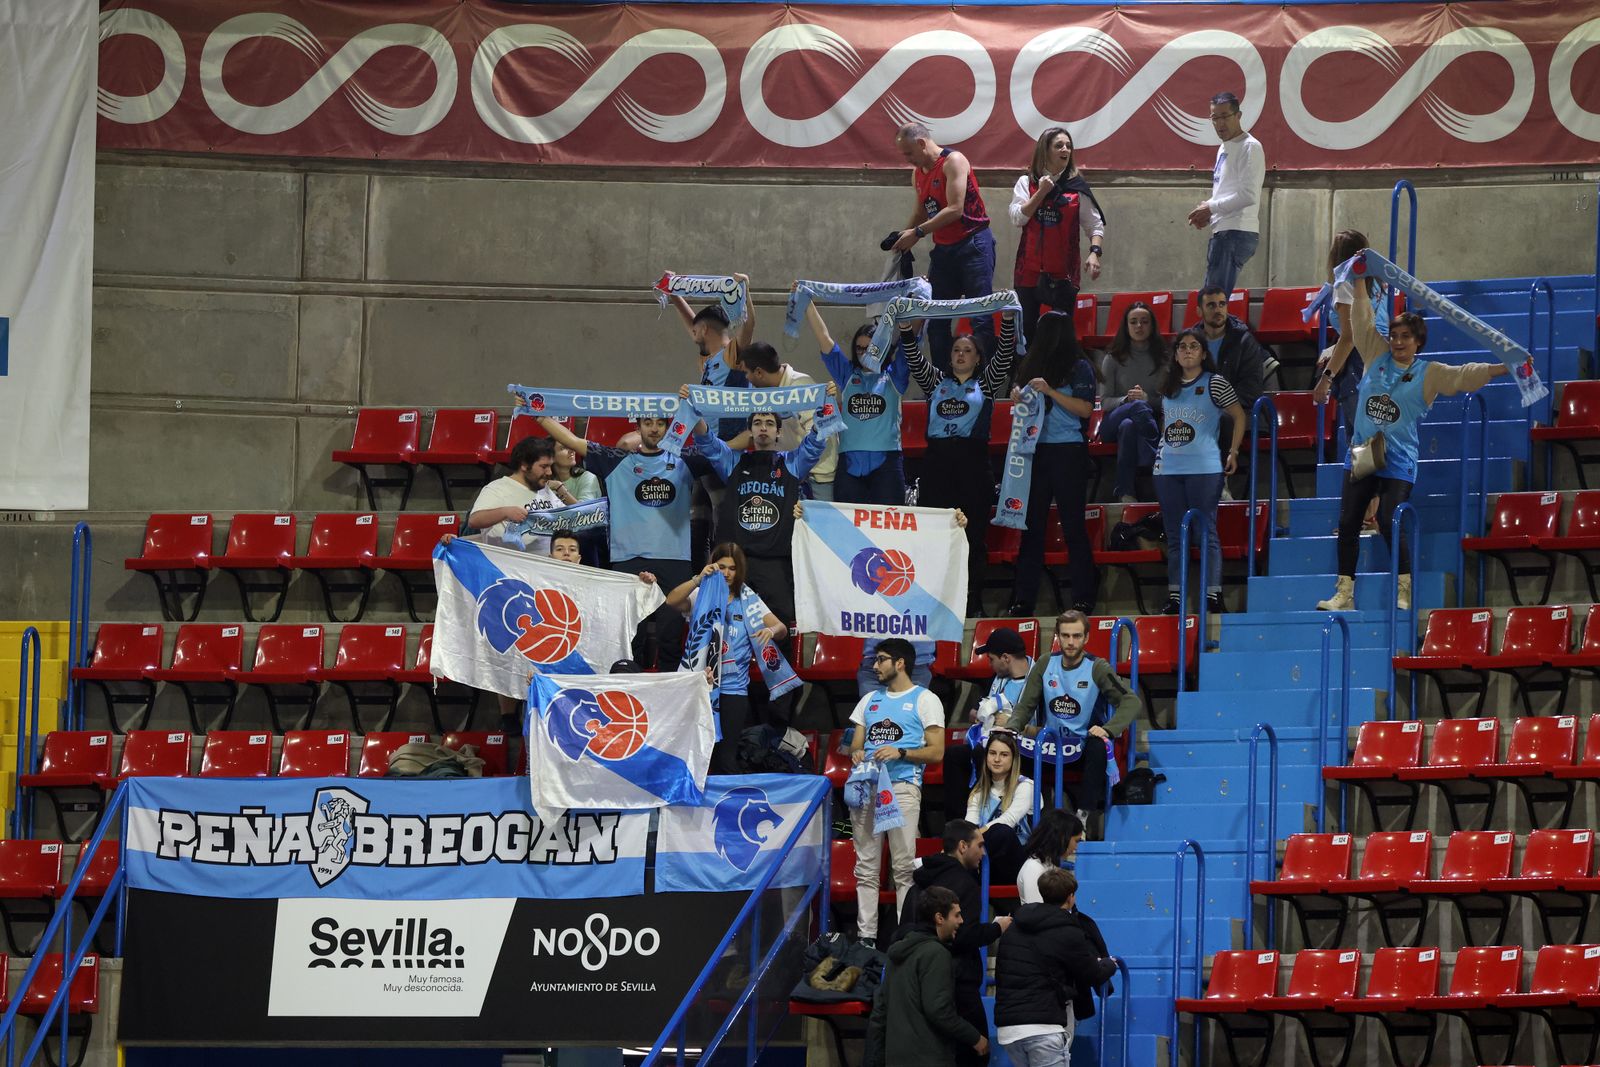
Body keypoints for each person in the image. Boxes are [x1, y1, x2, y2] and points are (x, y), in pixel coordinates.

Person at [1313, 269, 1507, 612]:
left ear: (1418, 341)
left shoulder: (1428, 373)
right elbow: (1361, 321)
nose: (1398, 342)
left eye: (1405, 337)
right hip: (1363, 454)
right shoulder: (1375, 353)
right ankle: (1344, 593)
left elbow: (1462, 376)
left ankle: (1404, 589)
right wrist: (1359, 280)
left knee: (1390, 520)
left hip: (1398, 459)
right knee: (1348, 522)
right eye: (1395, 335)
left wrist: (1500, 368)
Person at [900, 311, 1018, 614]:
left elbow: (1004, 353)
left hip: (973, 465)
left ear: (978, 358)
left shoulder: (986, 383)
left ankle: (972, 601)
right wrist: (905, 328)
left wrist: (1007, 320)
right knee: (935, 536)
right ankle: (935, 601)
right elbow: (914, 358)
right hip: (937, 465)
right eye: (956, 350)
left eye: (968, 350)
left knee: (973, 537)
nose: (961, 354)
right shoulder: (935, 382)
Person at [689, 385, 832, 624]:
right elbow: (707, 442)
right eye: (757, 423)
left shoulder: (792, 463)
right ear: (750, 431)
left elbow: (816, 441)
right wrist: (691, 407)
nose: (763, 427)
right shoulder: (733, 462)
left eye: (769, 423)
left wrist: (827, 402)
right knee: (729, 622)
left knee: (781, 623)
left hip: (777, 561)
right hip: (737, 562)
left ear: (778, 432)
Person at [535, 414, 711, 593]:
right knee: (629, 614)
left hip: (675, 560)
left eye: (660, 424)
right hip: (628, 560)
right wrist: (539, 416)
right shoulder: (614, 460)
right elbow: (572, 441)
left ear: (667, 429)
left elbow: (718, 449)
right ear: (638, 428)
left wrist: (694, 413)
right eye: (648, 423)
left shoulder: (684, 459)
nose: (654, 429)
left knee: (675, 613)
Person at [1003, 611, 1142, 835]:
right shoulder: (1045, 663)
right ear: (1057, 636)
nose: (1070, 642)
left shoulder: (1097, 667)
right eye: (1065, 635)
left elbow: (1131, 701)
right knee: (1010, 748)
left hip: (1082, 747)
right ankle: (1024, 822)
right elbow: (1025, 706)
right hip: (1051, 746)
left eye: (1077, 636)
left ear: (1086, 637)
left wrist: (1108, 729)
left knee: (1098, 746)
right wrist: (1011, 728)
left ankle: (1082, 820)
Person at [848, 638, 947, 947]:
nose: (874, 666)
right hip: (867, 787)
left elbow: (937, 752)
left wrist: (901, 752)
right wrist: (856, 753)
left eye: (881, 659)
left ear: (900, 663)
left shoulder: (925, 699)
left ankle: (905, 936)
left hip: (902, 787)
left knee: (903, 867)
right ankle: (865, 937)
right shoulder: (869, 700)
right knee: (865, 867)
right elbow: (856, 743)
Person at [664, 543, 790, 773]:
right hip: (701, 686)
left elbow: (781, 628)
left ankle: (731, 796)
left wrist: (770, 631)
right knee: (700, 754)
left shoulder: (749, 600)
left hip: (734, 690)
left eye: (732, 568)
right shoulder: (702, 594)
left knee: (726, 758)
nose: (727, 573)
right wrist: (697, 579)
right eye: (721, 567)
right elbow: (671, 601)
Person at [898, 820, 1011, 1067]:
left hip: (916, 982)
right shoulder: (964, 884)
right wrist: (997, 928)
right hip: (956, 985)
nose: (983, 853)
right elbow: (963, 936)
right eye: (979, 845)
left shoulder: (919, 882)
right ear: (962, 846)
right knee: (975, 1054)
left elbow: (906, 929)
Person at [1007, 311, 1098, 616]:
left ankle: (1083, 596)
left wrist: (1050, 391)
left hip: (1068, 450)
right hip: (1034, 450)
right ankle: (1023, 599)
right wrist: (1017, 394)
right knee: (1031, 528)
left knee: (1073, 527)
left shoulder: (1079, 366)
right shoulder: (1029, 365)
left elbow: (1085, 409)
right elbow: (1020, 398)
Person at [1153, 328, 1246, 616]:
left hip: (1204, 468)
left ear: (1204, 353)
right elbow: (1167, 425)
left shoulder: (1214, 383)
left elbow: (1239, 415)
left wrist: (1233, 451)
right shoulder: (1167, 386)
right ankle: (1176, 596)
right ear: (1175, 354)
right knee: (1175, 535)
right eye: (1182, 347)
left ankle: (1212, 595)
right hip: (1168, 469)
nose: (1188, 351)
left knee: (1206, 531)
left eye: (1194, 346)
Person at [891, 121, 995, 371]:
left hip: (973, 244)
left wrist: (917, 233)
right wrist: (902, 238)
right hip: (943, 250)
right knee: (936, 319)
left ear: (921, 143)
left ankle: (984, 382)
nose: (907, 159)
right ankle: (943, 379)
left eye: (908, 153)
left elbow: (955, 209)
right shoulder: (917, 174)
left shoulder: (953, 161)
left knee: (980, 317)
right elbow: (920, 213)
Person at [994, 868, 1119, 1067]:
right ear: (1070, 897)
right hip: (1044, 1026)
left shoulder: (1014, 927)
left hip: (1009, 1029)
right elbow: (1092, 974)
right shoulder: (1069, 930)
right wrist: (1109, 964)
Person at [865, 885, 988, 1067]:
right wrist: (975, 1037)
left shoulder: (896, 954)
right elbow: (939, 1010)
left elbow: (880, 1012)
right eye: (956, 915)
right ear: (939, 918)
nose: (961, 921)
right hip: (929, 1057)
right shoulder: (937, 953)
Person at [804, 301, 910, 506]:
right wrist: (806, 302)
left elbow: (911, 343)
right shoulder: (847, 375)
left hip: (887, 463)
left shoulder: (895, 376)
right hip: (849, 463)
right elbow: (824, 338)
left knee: (889, 522)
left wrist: (919, 303)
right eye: (859, 348)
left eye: (869, 348)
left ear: (881, 348)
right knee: (847, 522)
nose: (864, 353)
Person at [1009, 126, 1106, 343]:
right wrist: (1041, 192)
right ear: (1045, 150)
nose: (1065, 150)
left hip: (1064, 274)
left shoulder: (1076, 187)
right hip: (1028, 273)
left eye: (1069, 146)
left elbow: (1095, 225)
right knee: (1026, 335)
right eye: (1059, 145)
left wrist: (1094, 253)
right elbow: (1017, 218)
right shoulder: (1026, 183)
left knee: (1060, 338)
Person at [943, 626, 1034, 820]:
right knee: (954, 754)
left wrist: (1014, 723)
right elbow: (980, 709)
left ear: (1005, 658)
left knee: (982, 752)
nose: (989, 664)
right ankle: (957, 823)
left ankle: (984, 815)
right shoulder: (998, 679)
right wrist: (979, 715)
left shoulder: (1039, 678)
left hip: (1025, 744)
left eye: (991, 659)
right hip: (992, 739)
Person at [732, 338, 839, 501]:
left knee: (819, 520)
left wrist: (798, 466)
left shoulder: (800, 386)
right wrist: (723, 447)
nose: (746, 378)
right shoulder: (764, 394)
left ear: (759, 372)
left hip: (816, 479)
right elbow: (755, 433)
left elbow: (819, 432)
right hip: (788, 474)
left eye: (746, 372)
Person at [1317, 229, 1392, 445]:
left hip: (1359, 365)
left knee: (1362, 442)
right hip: (1383, 358)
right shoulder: (1378, 282)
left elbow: (1350, 337)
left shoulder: (1344, 283)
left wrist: (1326, 378)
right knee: (1377, 437)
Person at [1188, 91, 1265, 296]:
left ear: (1238, 116)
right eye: (1214, 118)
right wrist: (1207, 209)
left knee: (1213, 301)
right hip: (1224, 230)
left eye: (1224, 116)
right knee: (1211, 298)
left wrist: (1211, 208)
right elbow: (1226, 190)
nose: (1219, 123)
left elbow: (1248, 194)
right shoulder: (1224, 147)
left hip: (1236, 231)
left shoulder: (1249, 147)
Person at [1097, 302, 1169, 504]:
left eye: (1144, 322)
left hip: (1145, 419)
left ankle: (1125, 493)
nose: (1139, 326)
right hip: (1113, 420)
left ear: (1152, 326)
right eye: (1134, 322)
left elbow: (1168, 402)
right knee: (1136, 408)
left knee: (1129, 426)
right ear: (1126, 326)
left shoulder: (1163, 358)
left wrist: (1147, 400)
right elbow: (1105, 402)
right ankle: (1154, 456)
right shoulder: (1112, 358)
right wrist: (1127, 400)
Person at [465, 437, 577, 554]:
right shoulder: (497, 488)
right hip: (510, 563)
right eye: (544, 467)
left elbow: (568, 518)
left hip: (547, 562)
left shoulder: (543, 488)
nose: (549, 472)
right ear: (524, 465)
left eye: (550, 466)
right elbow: (474, 520)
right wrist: (505, 512)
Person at [965, 731, 1034, 885]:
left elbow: (1008, 820)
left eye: (1004, 755)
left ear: (1014, 759)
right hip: (987, 861)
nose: (996, 759)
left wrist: (973, 836)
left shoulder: (1026, 786)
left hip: (1018, 862)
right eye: (992, 753)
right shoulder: (978, 793)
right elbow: (968, 826)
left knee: (1002, 832)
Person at [1015, 809, 1084, 904]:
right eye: (1076, 841)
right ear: (1062, 838)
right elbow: (1038, 911)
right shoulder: (1034, 868)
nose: (1076, 847)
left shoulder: (1050, 864)